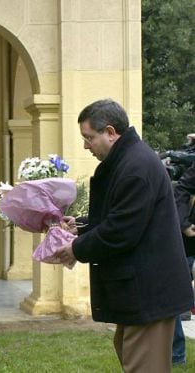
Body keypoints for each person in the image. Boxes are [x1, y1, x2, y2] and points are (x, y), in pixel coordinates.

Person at [55, 99, 194, 372]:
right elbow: (120, 215)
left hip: (150, 291)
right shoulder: (129, 160)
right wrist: (81, 226)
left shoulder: (136, 167)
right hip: (142, 290)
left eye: (89, 138)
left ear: (110, 131)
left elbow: (121, 231)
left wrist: (76, 248)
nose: (86, 146)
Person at [171, 159, 195, 365]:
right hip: (190, 242)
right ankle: (177, 355)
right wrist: (184, 224)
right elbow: (182, 189)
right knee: (177, 293)